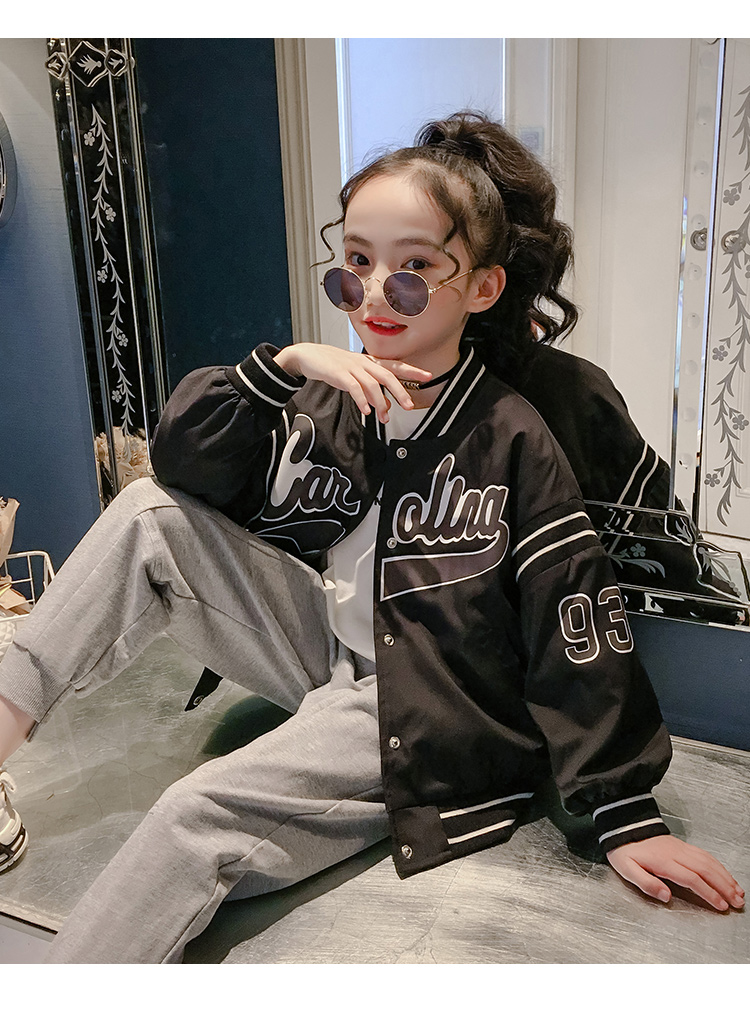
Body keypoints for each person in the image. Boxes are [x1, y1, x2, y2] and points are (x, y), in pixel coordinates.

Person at [0, 111, 743, 963]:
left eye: (415, 267)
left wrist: (624, 812)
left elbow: (573, 613)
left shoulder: (521, 428)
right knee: (145, 513)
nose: (378, 292)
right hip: (323, 649)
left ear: (483, 286)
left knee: (192, 814)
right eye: (356, 263)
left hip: (423, 695)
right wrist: (284, 365)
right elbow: (182, 467)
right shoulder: (329, 391)